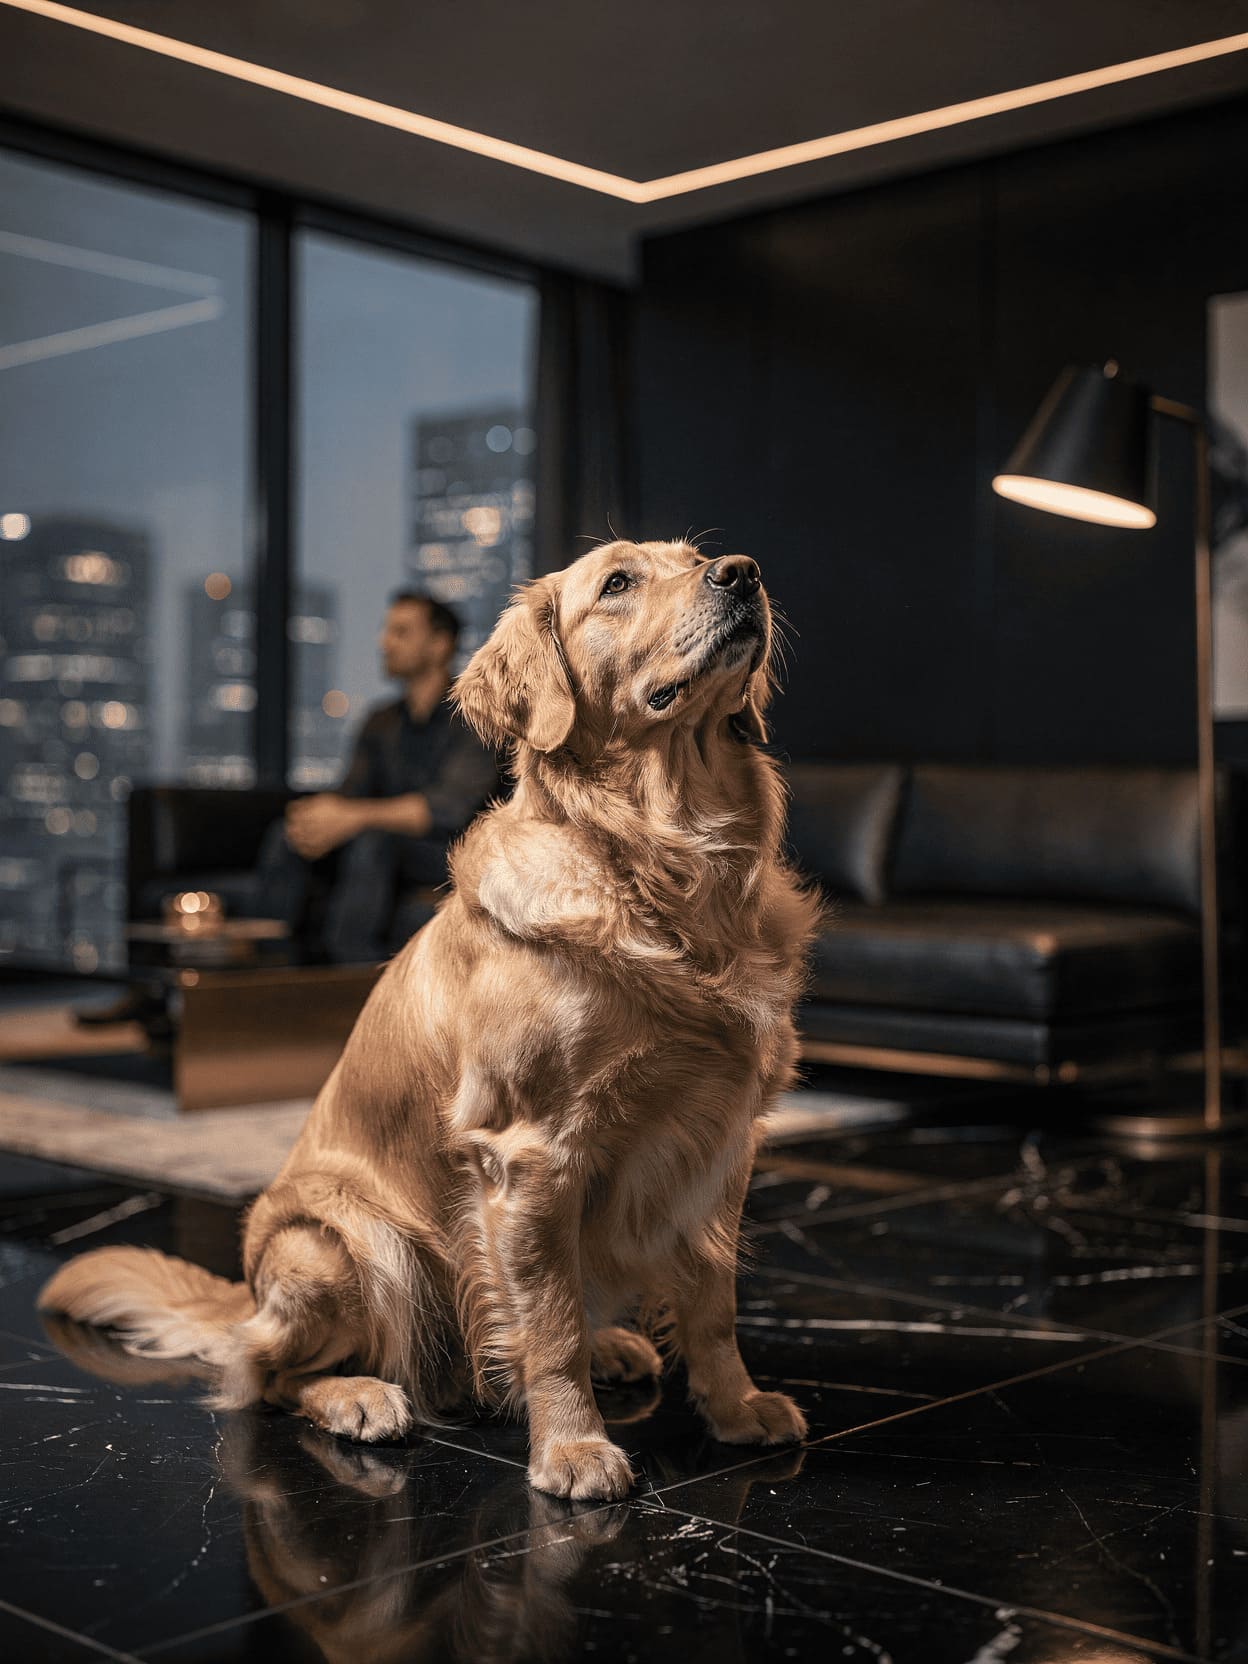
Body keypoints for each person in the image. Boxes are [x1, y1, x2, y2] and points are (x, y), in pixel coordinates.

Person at [262, 591, 498, 961]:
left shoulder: (475, 715)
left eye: (401, 632)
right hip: (386, 843)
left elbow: (447, 811)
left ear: (439, 645)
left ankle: (351, 976)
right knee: (289, 835)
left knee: (374, 843)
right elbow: (351, 793)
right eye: (387, 631)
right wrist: (320, 816)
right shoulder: (382, 720)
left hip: (455, 850)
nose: (384, 642)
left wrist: (351, 818)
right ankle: (269, 974)